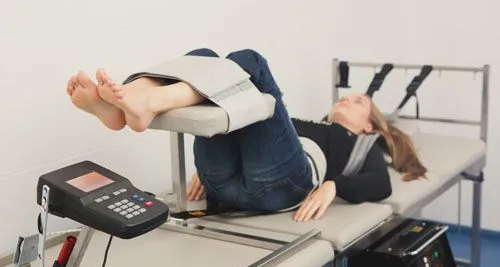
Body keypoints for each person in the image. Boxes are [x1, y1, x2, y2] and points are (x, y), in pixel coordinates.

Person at [66, 48, 427, 222]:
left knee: (248, 60)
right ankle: (135, 102)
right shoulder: (296, 123)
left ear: (369, 125)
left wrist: (333, 184)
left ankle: (143, 101)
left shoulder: (361, 143)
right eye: (345, 96)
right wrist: (204, 173)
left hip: (285, 186)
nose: (346, 99)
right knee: (206, 58)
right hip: (223, 183)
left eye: (358, 101)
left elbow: (382, 186)